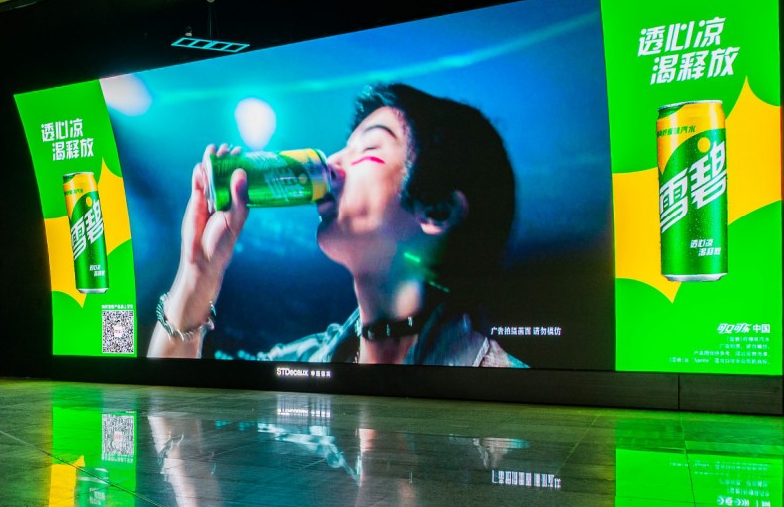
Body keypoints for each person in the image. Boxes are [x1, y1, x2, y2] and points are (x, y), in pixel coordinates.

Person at [148, 83, 524, 367]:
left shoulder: (499, 390)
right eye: (345, 147)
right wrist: (196, 274)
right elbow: (168, 416)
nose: (332, 163)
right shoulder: (309, 363)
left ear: (438, 211)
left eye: (370, 150)